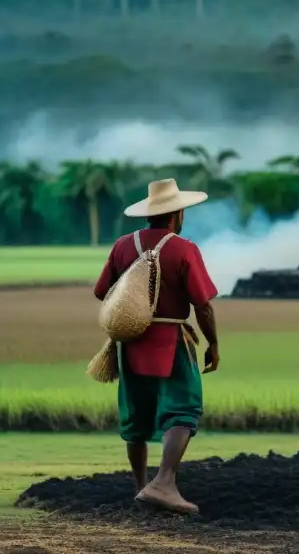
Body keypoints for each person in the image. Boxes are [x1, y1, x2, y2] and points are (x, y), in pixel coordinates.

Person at [93, 178, 220, 514]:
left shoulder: (122, 245)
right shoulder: (183, 248)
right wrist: (213, 344)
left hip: (130, 344)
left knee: (135, 414)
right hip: (171, 341)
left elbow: (101, 291)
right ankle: (164, 482)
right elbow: (203, 305)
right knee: (183, 408)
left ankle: (141, 488)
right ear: (176, 213)